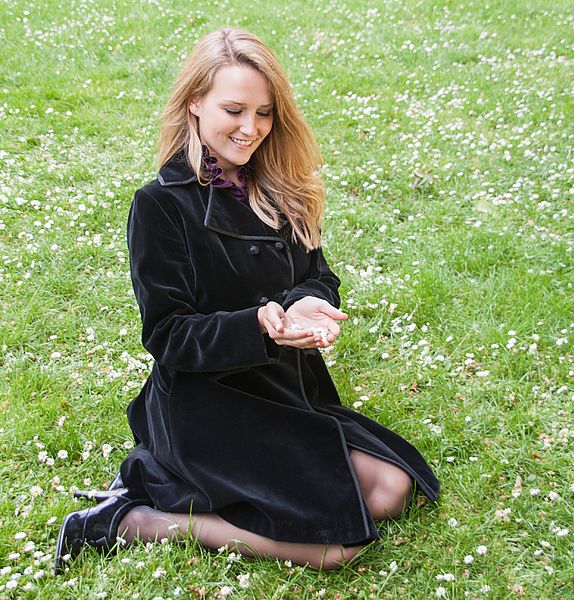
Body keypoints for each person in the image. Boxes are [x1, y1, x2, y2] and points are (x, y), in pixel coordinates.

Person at [54, 27, 439, 574]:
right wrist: (257, 327)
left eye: (264, 113)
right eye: (234, 109)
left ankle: (169, 496)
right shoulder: (161, 206)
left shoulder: (282, 188)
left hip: (284, 390)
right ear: (194, 102)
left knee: (393, 490)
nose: (250, 128)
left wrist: (308, 303)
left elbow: (318, 276)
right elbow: (167, 334)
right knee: (337, 548)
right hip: (207, 405)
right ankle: (133, 521)